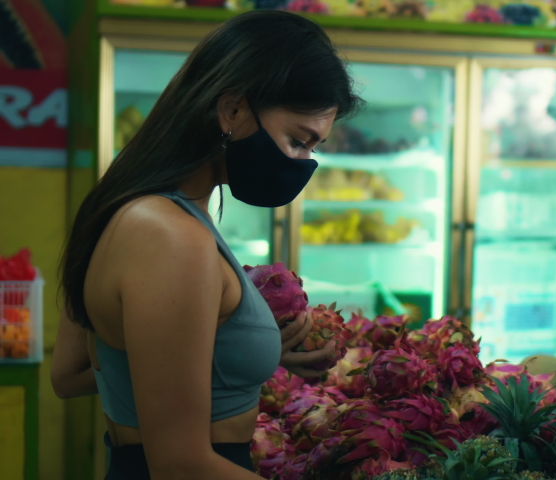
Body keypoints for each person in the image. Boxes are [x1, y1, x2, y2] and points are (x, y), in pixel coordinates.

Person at [51, 10, 363, 480]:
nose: (304, 163)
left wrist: (230, 356)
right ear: (233, 110)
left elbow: (73, 373)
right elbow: (180, 464)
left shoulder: (130, 206)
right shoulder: (172, 237)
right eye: (298, 141)